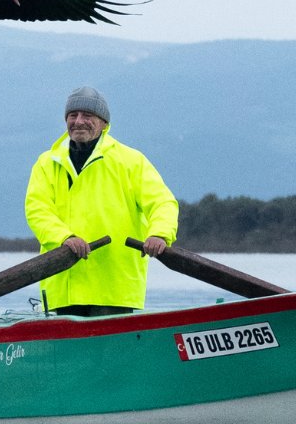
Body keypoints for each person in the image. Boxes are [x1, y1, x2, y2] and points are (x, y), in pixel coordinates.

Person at [24, 86, 179, 317]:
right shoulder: (47, 163)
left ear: (104, 123)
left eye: (88, 116)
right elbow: (37, 209)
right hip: (61, 286)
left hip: (113, 288)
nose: (79, 122)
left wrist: (160, 234)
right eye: (73, 115)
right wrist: (64, 238)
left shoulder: (131, 161)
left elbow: (162, 202)